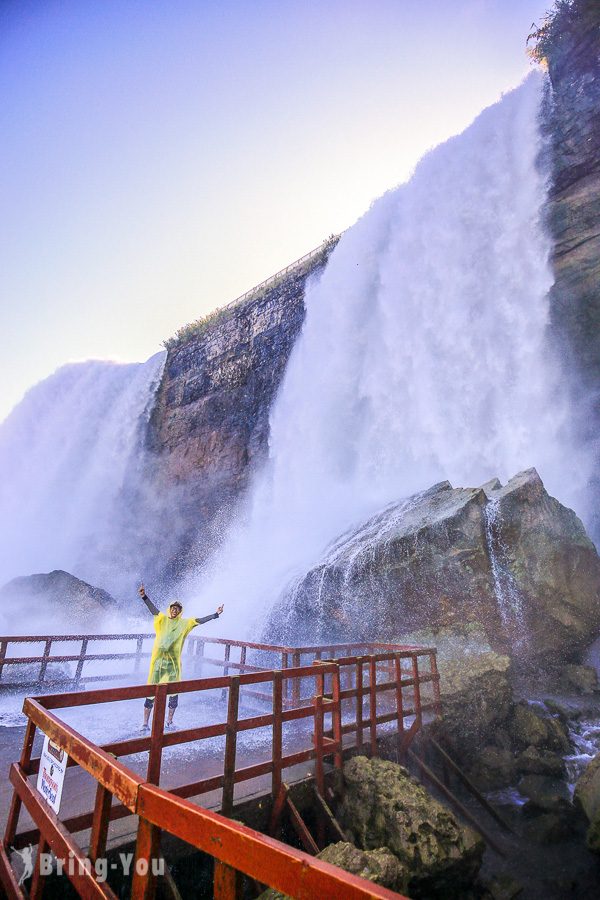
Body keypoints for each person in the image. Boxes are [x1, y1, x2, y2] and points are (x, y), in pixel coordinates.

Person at [138, 584, 224, 730]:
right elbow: (153, 610)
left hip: (173, 665)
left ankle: (169, 722)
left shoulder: (185, 623)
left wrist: (215, 614)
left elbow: (199, 621)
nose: (174, 610)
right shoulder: (162, 619)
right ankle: (145, 723)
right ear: (169, 609)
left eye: (177, 609)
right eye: (172, 608)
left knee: (174, 692)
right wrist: (144, 597)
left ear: (180, 611)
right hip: (157, 663)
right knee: (151, 691)